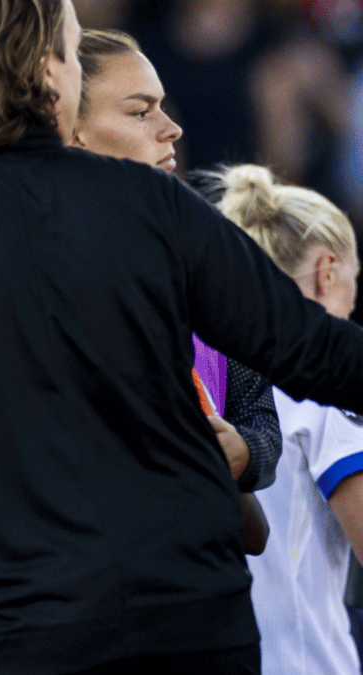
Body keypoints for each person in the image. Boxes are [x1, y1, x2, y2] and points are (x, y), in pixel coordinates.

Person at [0, 1, 363, 674]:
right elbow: (313, 351)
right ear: (48, 71)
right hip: (188, 624)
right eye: (73, 50)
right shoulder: (157, 206)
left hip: (6, 634)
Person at [68, 28, 278, 551]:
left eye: (163, 107)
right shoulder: (7, 268)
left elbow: (260, 420)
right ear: (71, 132)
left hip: (197, 601)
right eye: (141, 112)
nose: (172, 128)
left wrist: (243, 452)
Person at [212, 164, 363, 675]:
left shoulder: (214, 375)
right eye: (355, 280)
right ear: (327, 272)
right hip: (307, 663)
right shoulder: (328, 395)